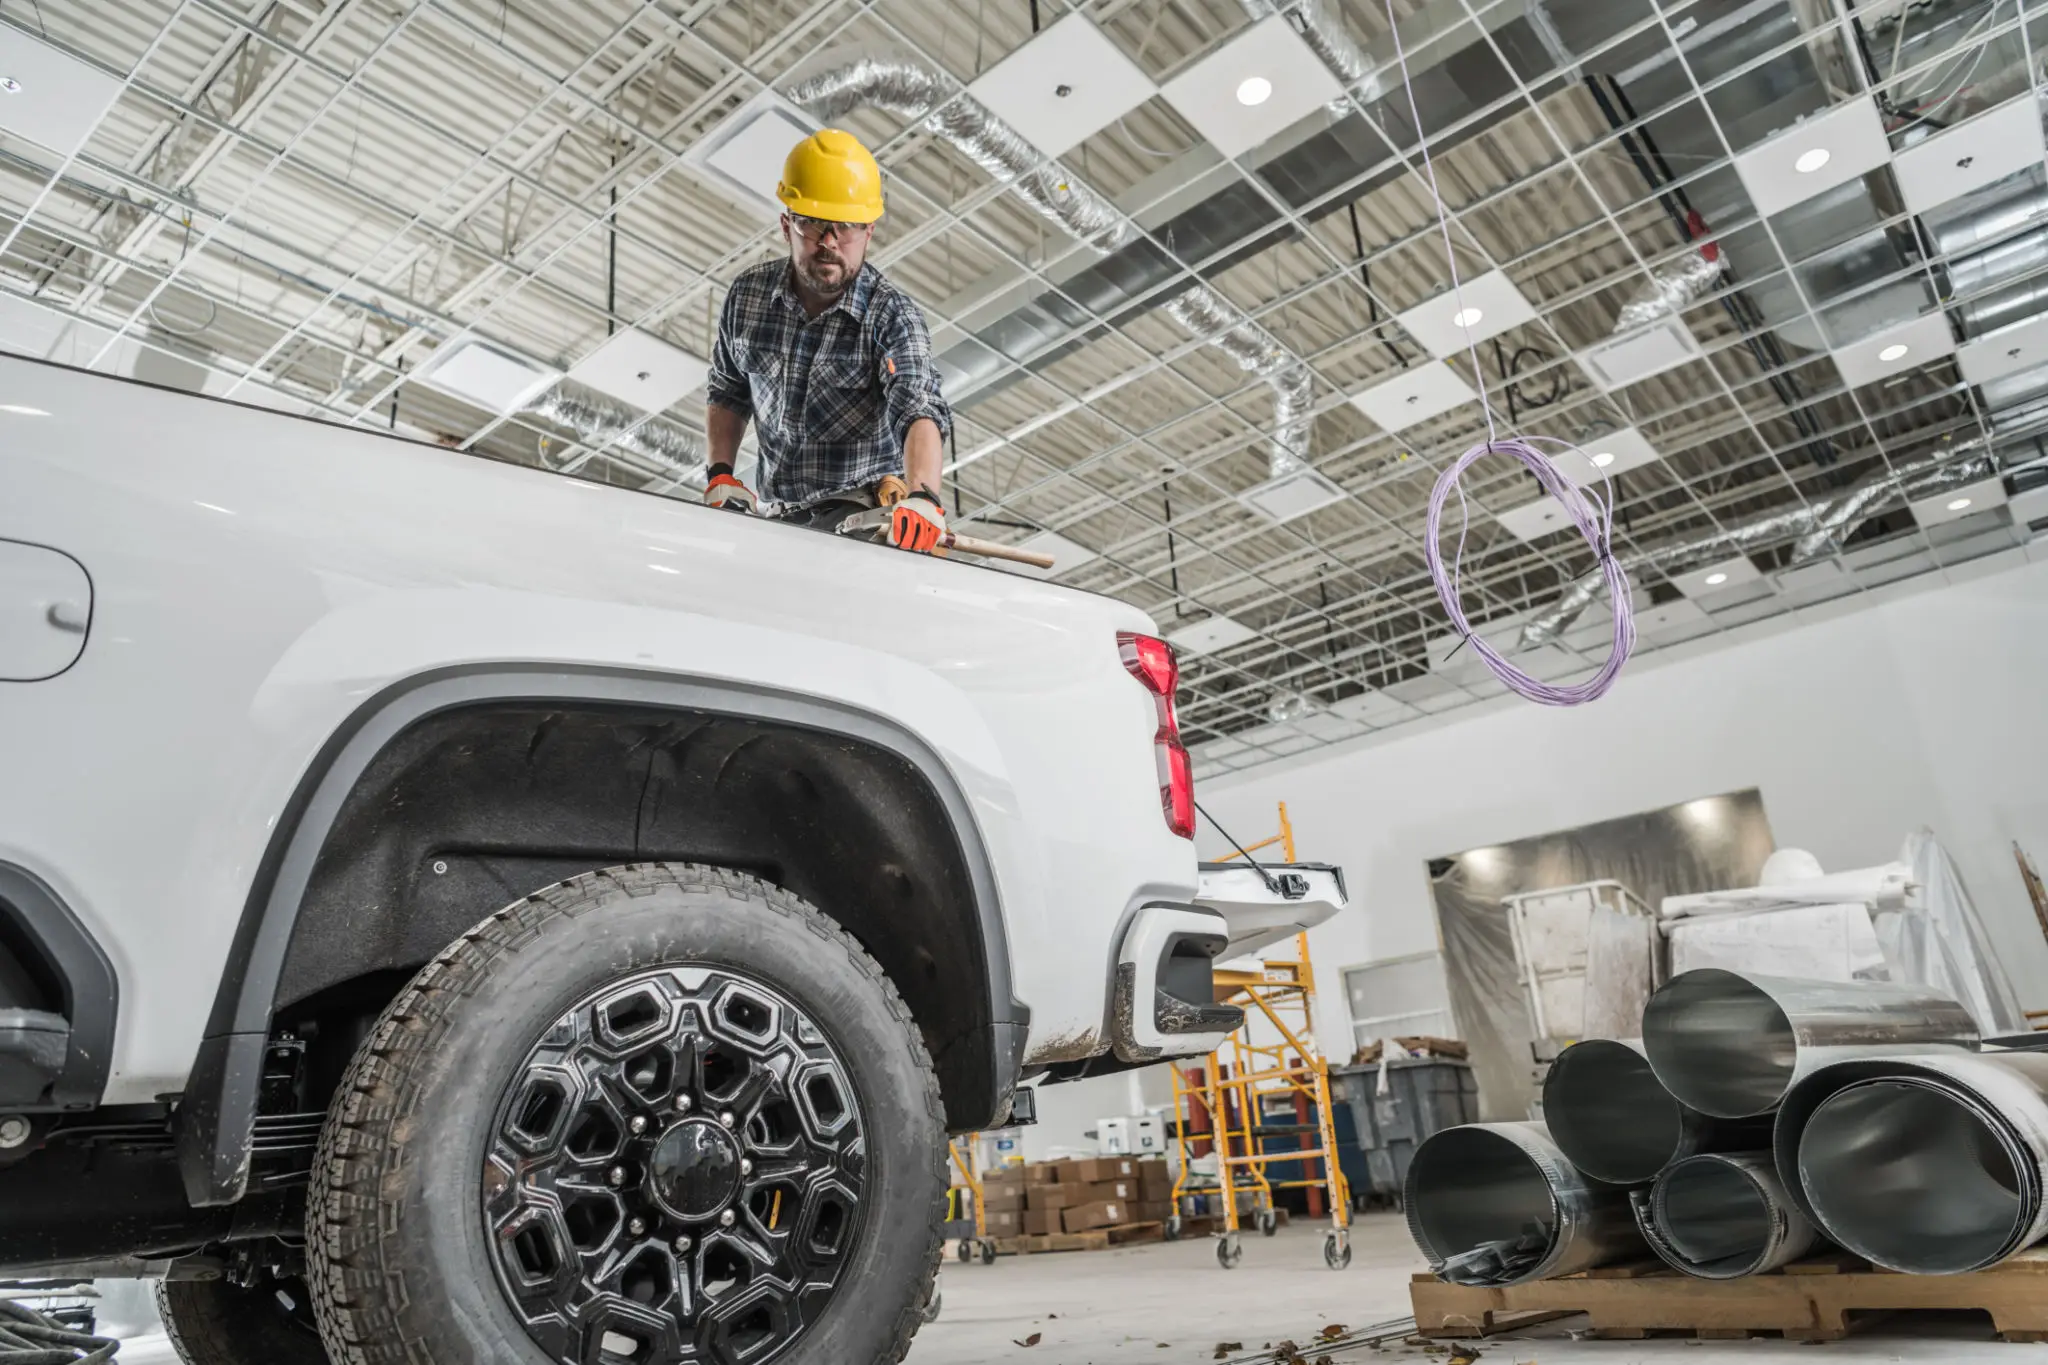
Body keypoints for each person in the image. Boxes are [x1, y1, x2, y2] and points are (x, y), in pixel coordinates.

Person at [702, 128, 953, 554]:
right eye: (814, 223)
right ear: (787, 224)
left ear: (869, 232)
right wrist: (719, 473)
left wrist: (924, 496)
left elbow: (918, 407)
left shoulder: (892, 316)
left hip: (861, 520)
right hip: (779, 518)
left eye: (848, 226)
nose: (830, 241)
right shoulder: (747, 298)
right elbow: (728, 390)